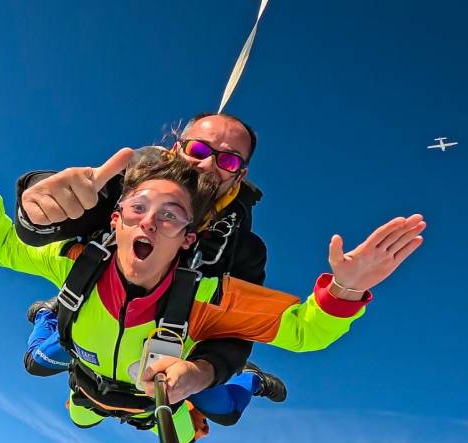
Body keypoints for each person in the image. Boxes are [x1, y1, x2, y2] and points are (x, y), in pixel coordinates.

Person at [0, 120, 425, 443]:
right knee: (58, 387)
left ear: (190, 237)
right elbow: (17, 236)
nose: (150, 223)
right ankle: (53, 315)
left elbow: (293, 331)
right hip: (88, 380)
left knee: (215, 414)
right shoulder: (83, 254)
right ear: (114, 218)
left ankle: (247, 383)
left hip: (164, 389)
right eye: (138, 209)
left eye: (171, 217)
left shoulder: (218, 282)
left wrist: (346, 289)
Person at [17, 112, 283, 402]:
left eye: (229, 160)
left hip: (172, 360)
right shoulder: (131, 193)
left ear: (239, 175)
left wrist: (202, 371)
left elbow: (238, 330)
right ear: (177, 148)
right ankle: (48, 313)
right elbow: (53, 222)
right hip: (97, 332)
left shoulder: (243, 250)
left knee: (225, 410)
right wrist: (38, 208)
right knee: (38, 364)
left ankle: (249, 379)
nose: (207, 164)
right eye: (198, 149)